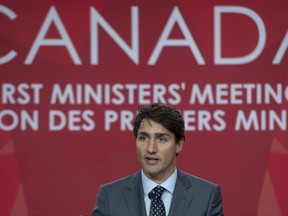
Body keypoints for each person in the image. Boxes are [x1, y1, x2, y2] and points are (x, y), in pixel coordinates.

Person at [92, 103, 224, 216]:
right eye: (144, 138)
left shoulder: (206, 196)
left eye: (161, 139)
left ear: (178, 145)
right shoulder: (110, 196)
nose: (151, 149)